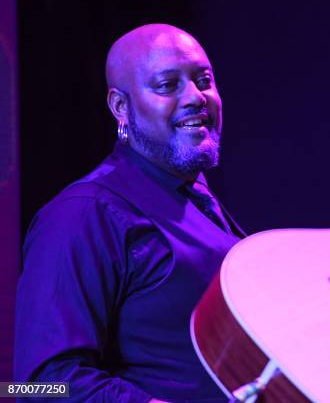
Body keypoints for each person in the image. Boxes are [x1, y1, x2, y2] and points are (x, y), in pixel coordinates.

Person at [14, 24, 245, 402]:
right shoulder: (81, 215)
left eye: (203, 80)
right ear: (121, 107)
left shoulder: (199, 200)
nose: (195, 97)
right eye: (167, 85)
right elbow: (38, 384)